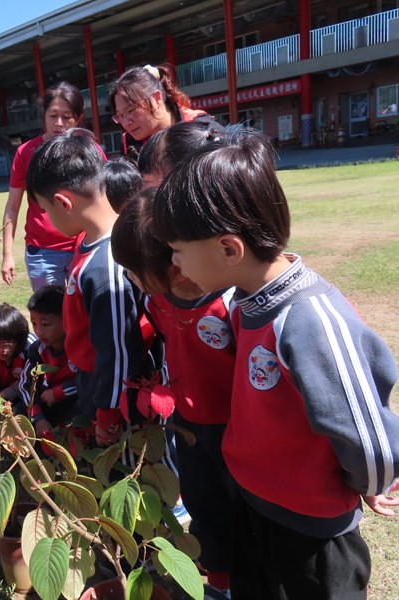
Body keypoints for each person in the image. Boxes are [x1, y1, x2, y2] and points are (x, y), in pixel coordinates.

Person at [151, 130, 399, 599]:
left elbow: (370, 440)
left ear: (228, 249)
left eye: (178, 250)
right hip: (257, 506)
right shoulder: (247, 303)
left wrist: (368, 483)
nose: (175, 265)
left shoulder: (308, 319)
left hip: (313, 532)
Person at [112, 186, 236, 599]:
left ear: (177, 266)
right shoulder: (159, 301)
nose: (130, 279)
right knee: (203, 504)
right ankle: (218, 581)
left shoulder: (227, 304)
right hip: (186, 424)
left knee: (240, 508)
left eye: (134, 270)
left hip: (235, 429)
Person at [26, 128, 161, 447]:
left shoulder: (107, 265)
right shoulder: (88, 243)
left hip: (113, 392)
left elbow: (115, 349)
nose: (47, 218)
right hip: (90, 379)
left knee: (115, 458)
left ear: (63, 202)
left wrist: (108, 414)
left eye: (45, 211)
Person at [1, 81, 100, 292]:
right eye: (53, 116)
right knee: (50, 318)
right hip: (42, 253)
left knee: (85, 315)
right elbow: (13, 207)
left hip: (84, 246)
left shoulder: (92, 151)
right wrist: (7, 255)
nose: (59, 123)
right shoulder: (26, 152)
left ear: (79, 118)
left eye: (67, 117)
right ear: (43, 116)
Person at [108, 63, 214, 164]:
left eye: (131, 110)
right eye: (120, 116)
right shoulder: (130, 145)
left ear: (157, 98)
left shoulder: (203, 130)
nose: (126, 123)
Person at [19, 284, 77, 438]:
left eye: (45, 324)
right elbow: (27, 385)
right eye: (34, 324)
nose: (39, 331)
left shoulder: (79, 347)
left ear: (66, 319)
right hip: (50, 401)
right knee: (18, 410)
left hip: (75, 400)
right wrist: (37, 418)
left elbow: (89, 382)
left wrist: (59, 392)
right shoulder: (37, 350)